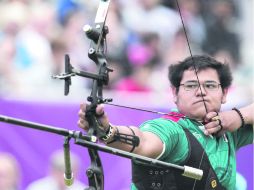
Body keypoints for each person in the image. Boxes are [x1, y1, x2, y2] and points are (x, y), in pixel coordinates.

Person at [77, 55, 253, 190]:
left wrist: (238, 116)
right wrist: (108, 132)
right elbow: (144, 142)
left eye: (210, 85)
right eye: (191, 86)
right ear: (175, 93)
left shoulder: (231, 128)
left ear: (224, 94)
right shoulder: (172, 130)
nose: (201, 92)